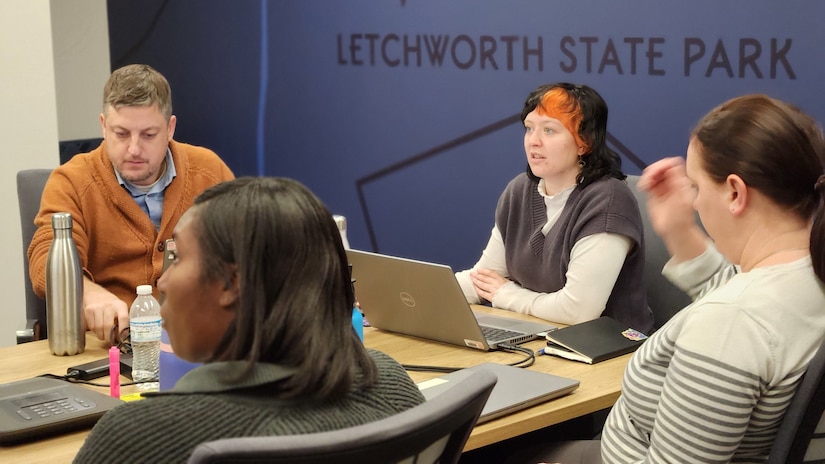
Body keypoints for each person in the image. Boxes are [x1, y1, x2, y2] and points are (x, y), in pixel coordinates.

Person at [509, 94, 825, 463]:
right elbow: (739, 297)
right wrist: (679, 231)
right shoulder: (803, 277)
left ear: (735, 193)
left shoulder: (730, 323)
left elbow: (733, 323)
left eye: (697, 187)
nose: (693, 202)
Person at [73, 177, 426, 463]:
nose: (162, 281)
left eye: (178, 258)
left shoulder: (139, 439)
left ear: (232, 284)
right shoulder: (390, 384)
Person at [28, 64, 234, 343]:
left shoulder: (209, 172)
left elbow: (245, 253)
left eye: (148, 135)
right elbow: (45, 259)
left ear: (170, 128)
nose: (134, 149)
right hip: (107, 349)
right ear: (103, 126)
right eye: (121, 134)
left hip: (198, 343)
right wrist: (86, 292)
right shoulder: (71, 181)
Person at [456, 83, 652, 333]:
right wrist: (416, 293)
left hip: (609, 351)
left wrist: (506, 295)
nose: (534, 142)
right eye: (529, 129)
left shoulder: (608, 200)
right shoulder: (520, 190)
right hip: (539, 335)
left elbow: (578, 310)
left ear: (584, 143)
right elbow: (484, 279)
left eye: (549, 130)